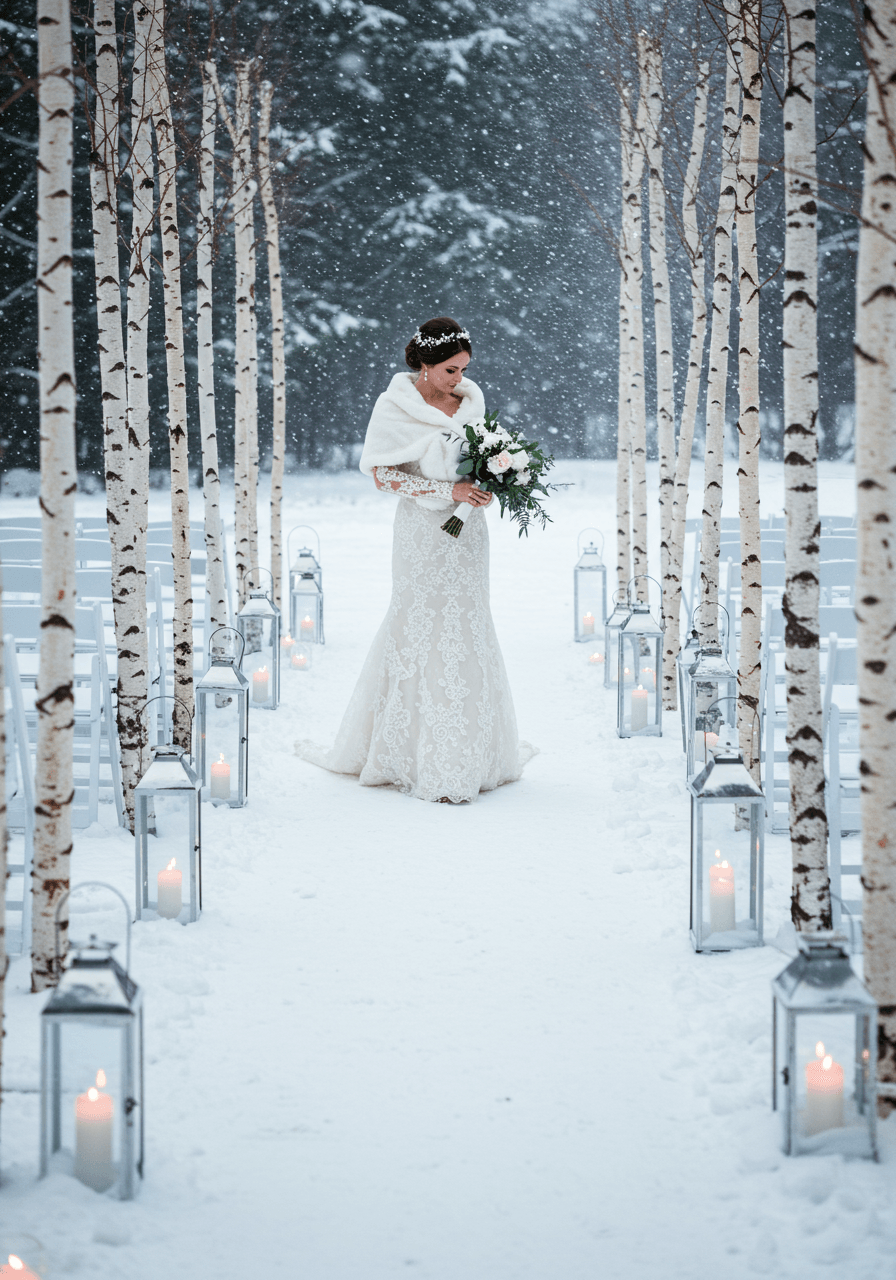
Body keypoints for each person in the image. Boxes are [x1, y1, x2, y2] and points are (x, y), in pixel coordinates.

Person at [295, 317, 535, 803]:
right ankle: (408, 749)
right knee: (418, 623)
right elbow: (384, 476)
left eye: (465, 368)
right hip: (421, 533)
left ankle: (471, 749)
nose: (459, 378)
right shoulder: (394, 407)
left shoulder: (471, 401)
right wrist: (447, 489)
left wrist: (489, 484)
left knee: (467, 623)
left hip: (468, 532)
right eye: (450, 369)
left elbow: (485, 455)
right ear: (424, 365)